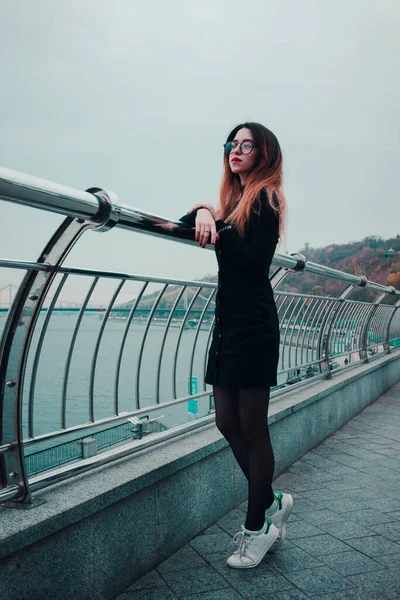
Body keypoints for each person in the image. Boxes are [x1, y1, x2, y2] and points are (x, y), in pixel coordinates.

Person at [179, 122, 293, 569]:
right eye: (232, 144)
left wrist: (213, 214)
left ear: (264, 154)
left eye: (247, 144)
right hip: (227, 325)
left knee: (252, 425)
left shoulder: (265, 199)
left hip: (254, 326)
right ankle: (272, 499)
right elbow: (193, 225)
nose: (236, 150)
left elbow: (251, 262)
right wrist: (207, 209)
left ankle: (256, 527)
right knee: (226, 421)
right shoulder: (234, 202)